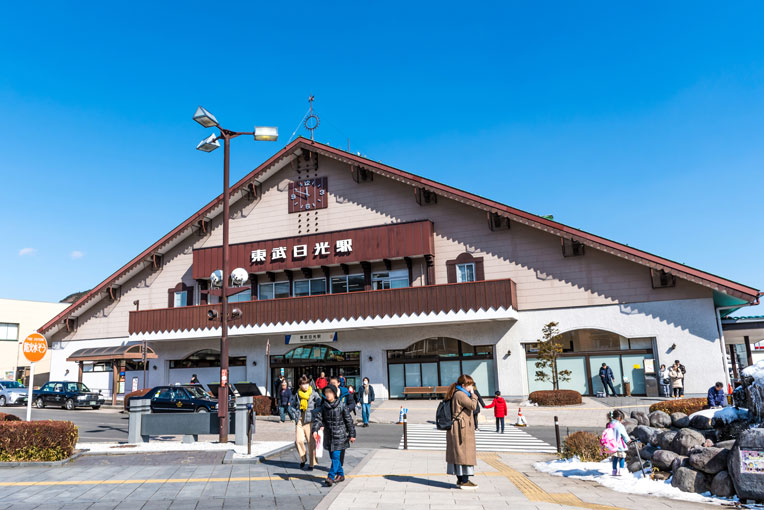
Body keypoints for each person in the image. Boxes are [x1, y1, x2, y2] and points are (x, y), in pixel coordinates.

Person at [312, 384, 356, 487]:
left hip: (340, 436)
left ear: (335, 394)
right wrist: (314, 430)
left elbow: (349, 421)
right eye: (326, 393)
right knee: (333, 458)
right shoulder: (323, 407)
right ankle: (341, 475)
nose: (328, 395)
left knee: (336, 457)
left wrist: (352, 434)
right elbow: (318, 419)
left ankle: (330, 477)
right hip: (329, 436)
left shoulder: (341, 405)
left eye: (330, 392)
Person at [445, 374, 479, 490]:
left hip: (459, 427)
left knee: (460, 453)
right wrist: (474, 395)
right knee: (464, 453)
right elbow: (473, 406)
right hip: (461, 428)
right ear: (464, 385)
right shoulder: (461, 394)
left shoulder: (457, 393)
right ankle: (464, 481)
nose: (472, 387)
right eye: (470, 385)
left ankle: (462, 480)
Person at [290, 375, 322, 470]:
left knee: (311, 443)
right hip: (300, 419)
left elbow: (320, 405)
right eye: (303, 384)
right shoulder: (297, 394)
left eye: (307, 383)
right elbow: (291, 406)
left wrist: (314, 413)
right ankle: (303, 459)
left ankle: (312, 463)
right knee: (298, 441)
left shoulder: (313, 393)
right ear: (300, 385)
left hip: (310, 421)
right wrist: (295, 414)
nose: (305, 386)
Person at [602, 409, 631, 476]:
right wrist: (628, 440)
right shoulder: (619, 425)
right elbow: (624, 435)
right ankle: (621, 471)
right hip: (619, 445)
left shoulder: (609, 424)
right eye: (622, 418)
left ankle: (614, 471)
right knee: (622, 457)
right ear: (619, 418)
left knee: (615, 458)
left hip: (611, 445)